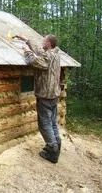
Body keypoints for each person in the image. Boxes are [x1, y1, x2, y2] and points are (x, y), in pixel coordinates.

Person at [16, 34, 61, 163]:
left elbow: (33, 61)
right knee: (52, 122)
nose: (42, 42)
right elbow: (40, 52)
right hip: (54, 95)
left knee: (45, 124)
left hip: (45, 95)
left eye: (44, 40)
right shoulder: (55, 54)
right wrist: (27, 41)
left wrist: (26, 51)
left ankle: (52, 150)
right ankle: (57, 143)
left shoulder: (48, 57)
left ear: (48, 43)